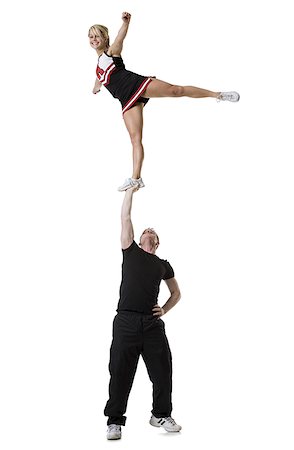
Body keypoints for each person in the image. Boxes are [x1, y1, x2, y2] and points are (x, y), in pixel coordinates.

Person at [89, 12, 240, 192]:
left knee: (176, 90)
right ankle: (136, 179)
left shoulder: (111, 51)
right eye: (91, 36)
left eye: (97, 35)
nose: (93, 39)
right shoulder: (97, 68)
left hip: (137, 85)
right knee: (135, 139)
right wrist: (95, 87)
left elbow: (120, 39)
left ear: (105, 38)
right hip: (126, 100)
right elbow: (99, 79)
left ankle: (218, 95)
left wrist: (125, 23)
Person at [104, 185, 182, 440]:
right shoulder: (131, 250)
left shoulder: (163, 265)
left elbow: (177, 293)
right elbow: (125, 217)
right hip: (126, 319)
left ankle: (160, 414)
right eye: (145, 231)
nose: (148, 231)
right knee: (120, 370)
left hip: (151, 324)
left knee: (163, 369)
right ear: (139, 239)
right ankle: (115, 421)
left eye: (152, 232)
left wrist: (165, 310)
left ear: (157, 242)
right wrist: (130, 192)